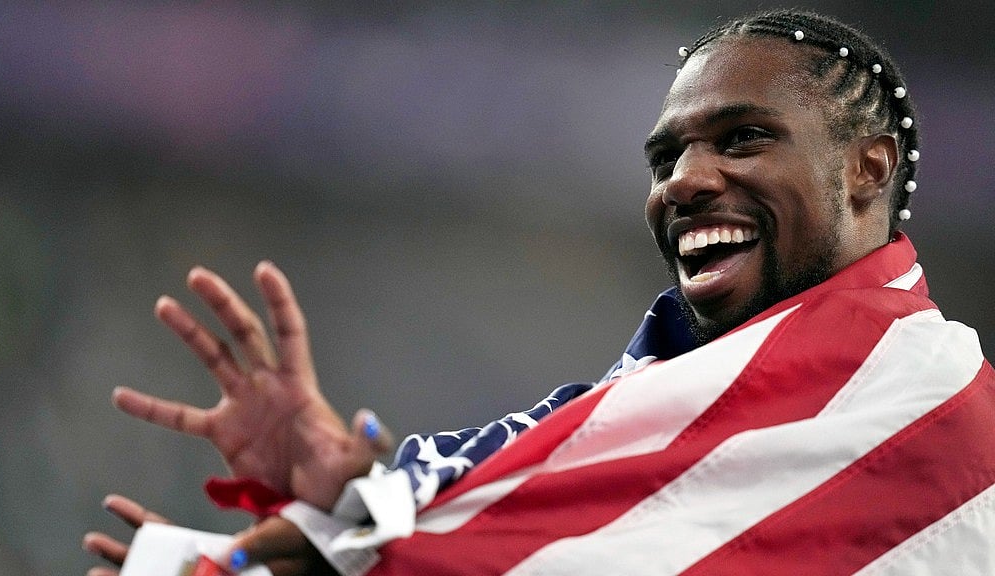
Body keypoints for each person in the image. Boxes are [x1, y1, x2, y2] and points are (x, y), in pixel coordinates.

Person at [85, 9, 995, 575]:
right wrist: (370, 493)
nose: (683, 180)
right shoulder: (650, 404)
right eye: (666, 156)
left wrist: (381, 536)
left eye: (743, 138)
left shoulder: (929, 406)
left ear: (866, 169)